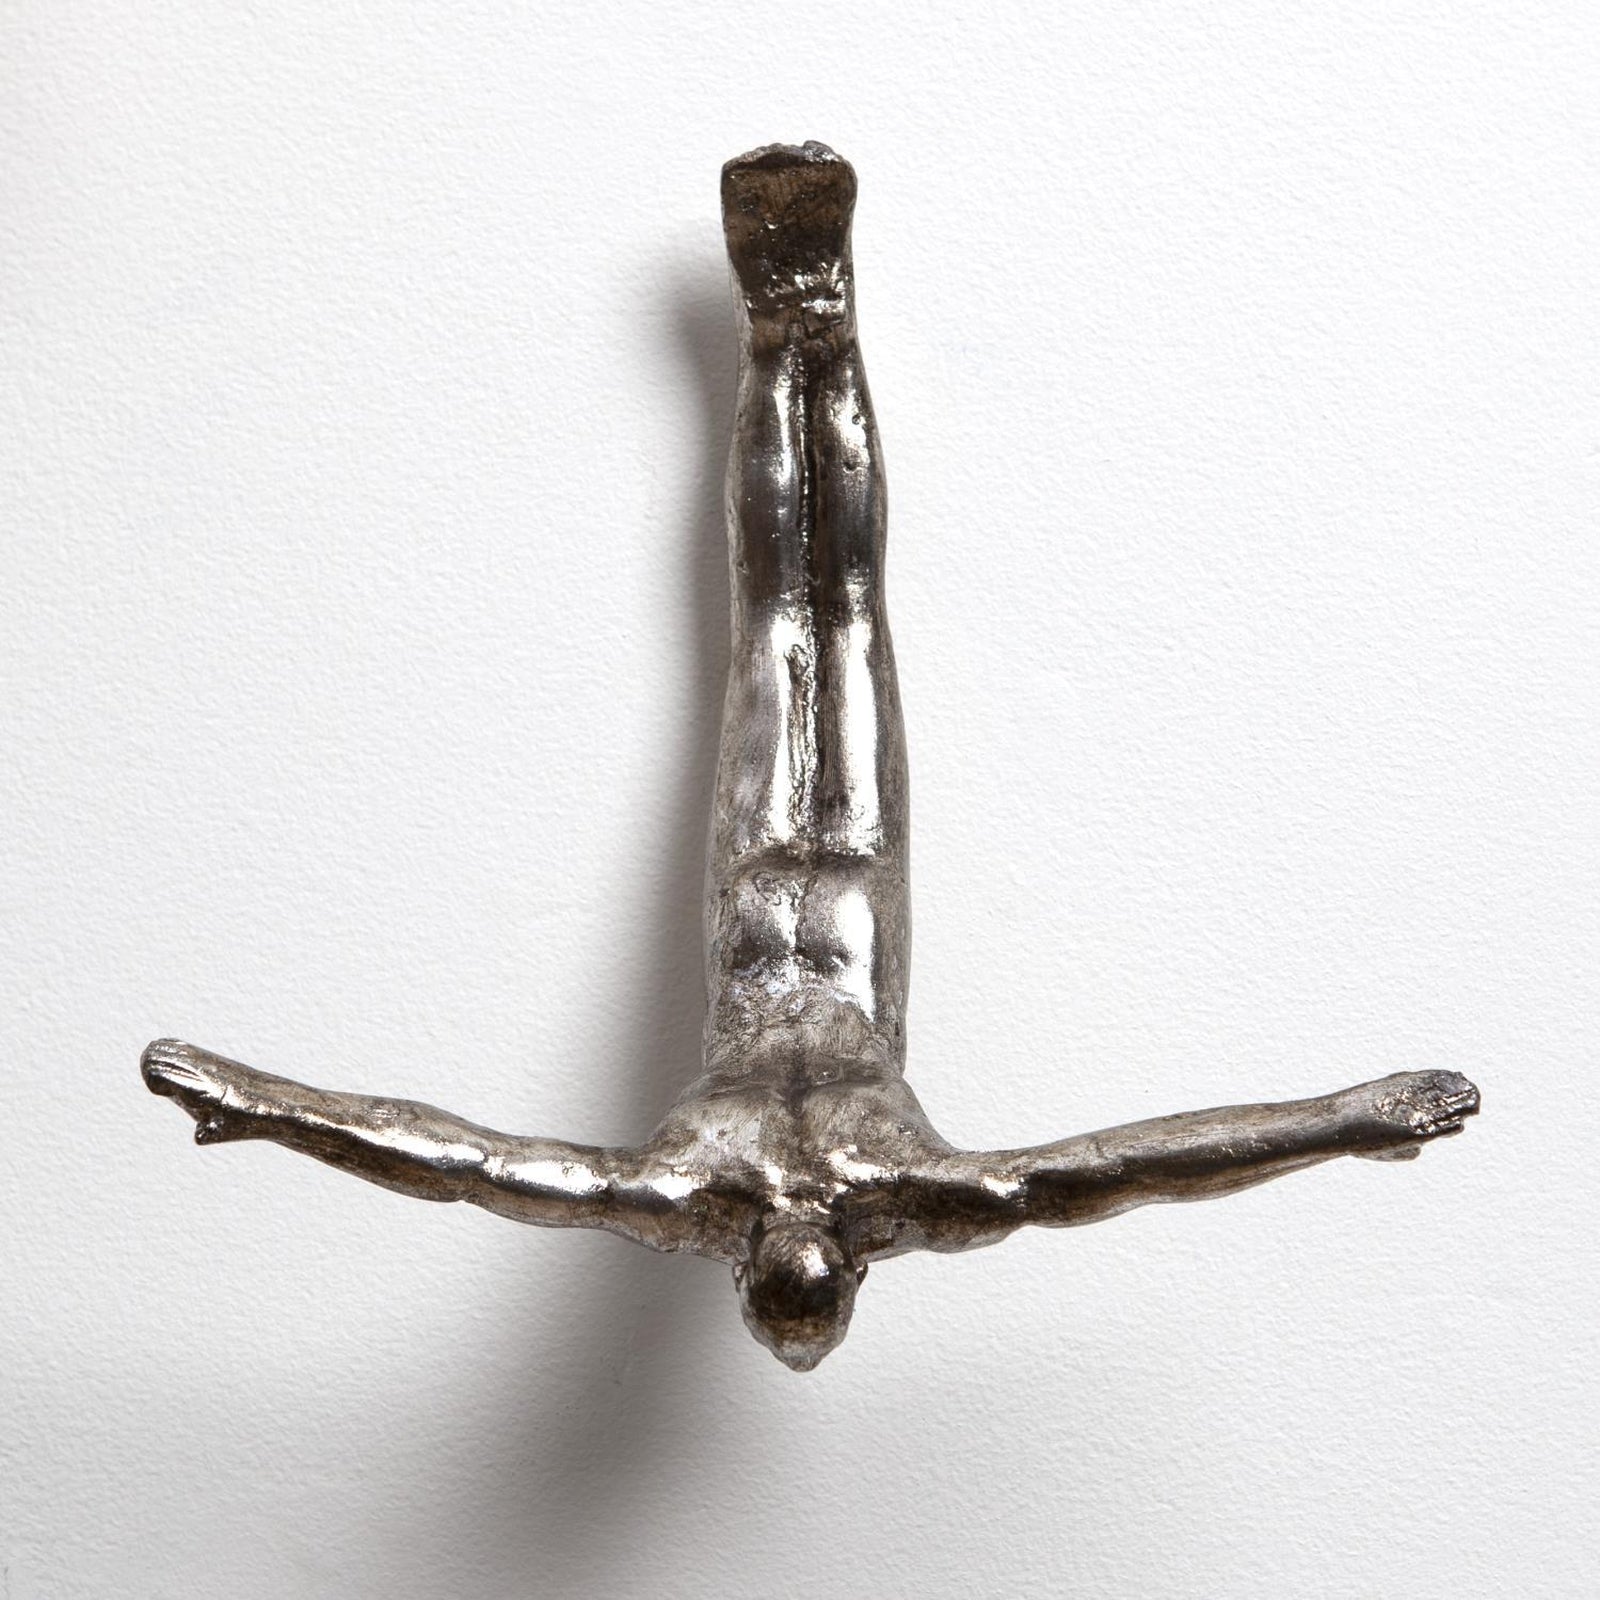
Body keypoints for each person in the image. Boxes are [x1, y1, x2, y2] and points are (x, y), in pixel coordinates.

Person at [143, 144, 1478, 1372]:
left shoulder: (682, 1194)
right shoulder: (913, 1194)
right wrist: (1349, 1122)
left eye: (779, 1279)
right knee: (835, 611)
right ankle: (816, 325)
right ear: (848, 1265)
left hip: (753, 864)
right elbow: (1128, 1169)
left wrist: (263, 1107)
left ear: (745, 1273)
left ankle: (780, 327)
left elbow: (471, 1165)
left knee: (774, 619)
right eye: (824, 1276)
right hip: (855, 866)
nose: (802, 1251)